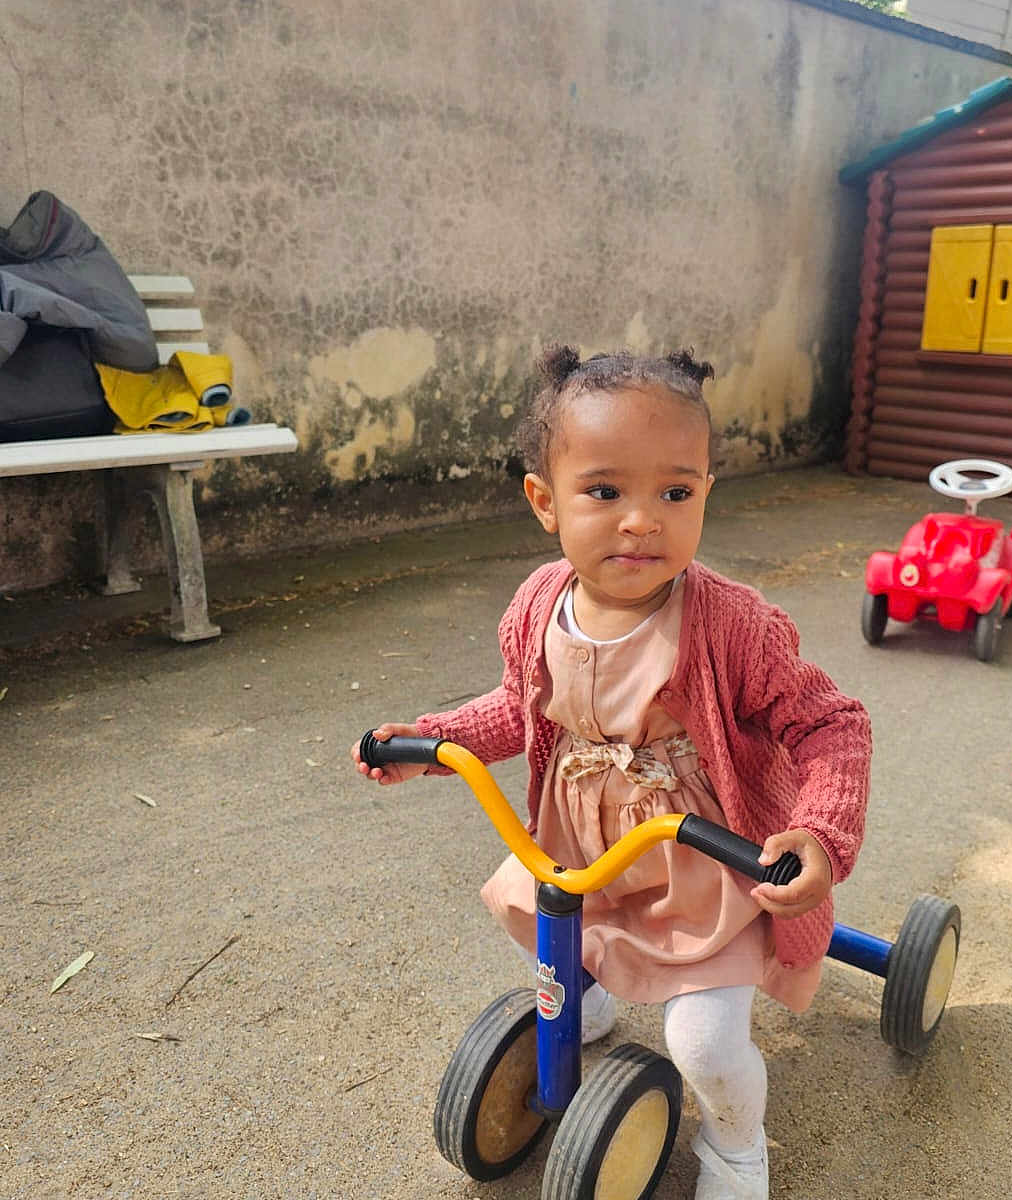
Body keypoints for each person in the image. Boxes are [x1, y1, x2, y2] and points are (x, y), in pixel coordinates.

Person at [352, 346, 871, 1199]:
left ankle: (739, 1148)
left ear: (706, 492)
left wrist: (820, 832)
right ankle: (592, 986)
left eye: (675, 492)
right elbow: (520, 706)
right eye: (605, 492)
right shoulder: (538, 604)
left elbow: (830, 722)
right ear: (545, 502)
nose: (642, 521)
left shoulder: (734, 625)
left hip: (700, 860)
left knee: (702, 1041)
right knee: (548, 926)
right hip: (583, 843)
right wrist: (432, 742)